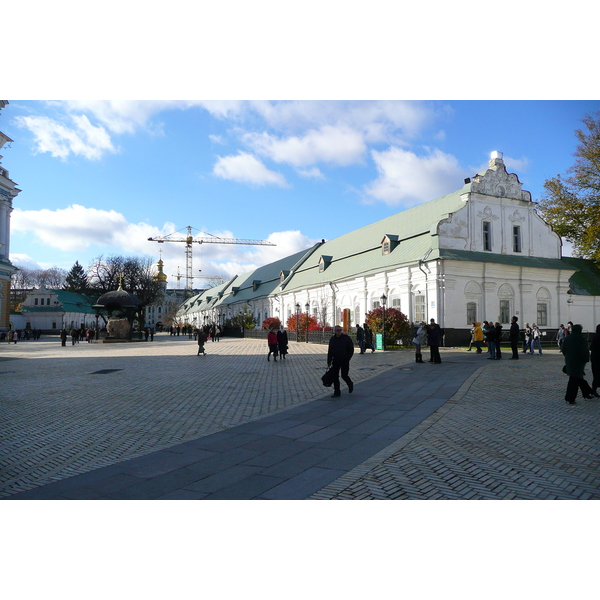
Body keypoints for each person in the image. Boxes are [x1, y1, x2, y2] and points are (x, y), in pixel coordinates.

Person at [561, 323, 594, 404]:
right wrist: (586, 359)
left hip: (570, 361)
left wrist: (568, 356)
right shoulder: (582, 339)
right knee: (574, 379)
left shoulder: (568, 338)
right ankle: (570, 398)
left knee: (576, 378)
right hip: (579, 361)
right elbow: (585, 351)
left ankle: (587, 392)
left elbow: (563, 349)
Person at [327, 326, 354, 397]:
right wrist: (329, 361)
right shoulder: (332, 339)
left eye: (340, 330)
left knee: (344, 375)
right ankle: (337, 392)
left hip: (344, 360)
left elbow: (351, 349)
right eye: (337, 330)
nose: (339, 332)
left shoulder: (346, 338)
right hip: (335, 360)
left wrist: (348, 358)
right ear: (334, 331)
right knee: (335, 376)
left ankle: (350, 384)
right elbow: (330, 350)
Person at [590, 324, 600, 397]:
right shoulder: (597, 337)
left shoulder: (595, 337)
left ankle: (594, 389)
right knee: (597, 375)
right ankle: (594, 390)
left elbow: (591, 347)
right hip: (597, 358)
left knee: (596, 374)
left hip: (594, 358)